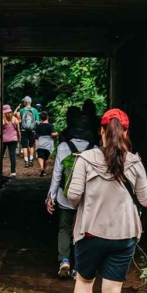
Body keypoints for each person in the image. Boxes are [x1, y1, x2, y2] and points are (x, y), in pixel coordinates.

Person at [65, 108, 147, 293]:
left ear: (101, 131)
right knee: (112, 291)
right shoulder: (135, 162)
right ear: (126, 132)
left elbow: (72, 197)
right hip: (124, 235)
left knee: (84, 281)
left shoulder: (85, 159)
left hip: (91, 232)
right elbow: (146, 202)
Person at [47, 107, 94, 278]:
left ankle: (64, 260)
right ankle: (78, 267)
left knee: (64, 228)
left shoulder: (63, 147)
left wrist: (50, 197)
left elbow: (57, 175)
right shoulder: (94, 148)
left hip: (65, 197)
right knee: (82, 230)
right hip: (86, 198)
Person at [18, 96, 39, 163]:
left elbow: (20, 120)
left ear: (25, 102)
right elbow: (37, 121)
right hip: (32, 130)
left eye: (24, 101)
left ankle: (26, 160)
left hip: (24, 130)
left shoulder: (22, 110)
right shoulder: (35, 110)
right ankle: (31, 159)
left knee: (24, 146)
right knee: (31, 145)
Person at [0, 105, 19, 177]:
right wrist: (19, 138)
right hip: (13, 139)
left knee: (0, 155)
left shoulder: (2, 120)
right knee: (12, 155)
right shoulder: (15, 119)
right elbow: (18, 131)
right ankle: (13, 172)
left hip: (4, 140)